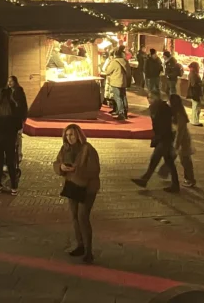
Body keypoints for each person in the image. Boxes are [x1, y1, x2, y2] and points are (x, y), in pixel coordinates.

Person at [53, 124, 101, 264]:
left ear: (78, 135)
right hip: (72, 186)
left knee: (82, 217)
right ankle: (79, 245)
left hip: (87, 188)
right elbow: (57, 163)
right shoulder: (65, 149)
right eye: (67, 135)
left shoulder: (88, 149)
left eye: (72, 135)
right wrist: (61, 168)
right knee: (74, 216)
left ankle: (88, 251)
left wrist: (76, 169)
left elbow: (94, 170)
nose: (69, 138)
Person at [131, 94, 179, 193]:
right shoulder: (161, 107)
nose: (148, 101)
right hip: (165, 137)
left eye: (149, 99)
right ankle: (175, 184)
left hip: (164, 138)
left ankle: (145, 179)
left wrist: (159, 137)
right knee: (169, 161)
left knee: (155, 158)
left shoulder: (159, 108)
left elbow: (162, 125)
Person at [0, 88, 23, 195]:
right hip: (10, 139)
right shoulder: (14, 107)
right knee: (11, 162)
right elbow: (19, 125)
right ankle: (14, 187)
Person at [171, 94, 195, 188]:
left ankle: (190, 179)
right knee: (184, 160)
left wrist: (176, 144)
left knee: (185, 160)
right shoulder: (176, 113)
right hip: (180, 139)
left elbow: (181, 131)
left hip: (183, 140)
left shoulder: (180, 115)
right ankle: (188, 178)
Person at [101, 47, 131, 121]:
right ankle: (125, 112)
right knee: (123, 97)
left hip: (116, 82)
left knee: (118, 97)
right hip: (124, 81)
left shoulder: (114, 62)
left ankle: (121, 113)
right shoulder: (125, 61)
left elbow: (107, 71)